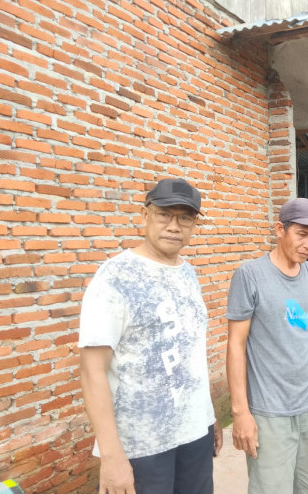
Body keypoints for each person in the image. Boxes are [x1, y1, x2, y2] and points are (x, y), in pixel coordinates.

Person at [79, 178, 222, 494]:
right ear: (144, 216)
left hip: (194, 435)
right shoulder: (115, 278)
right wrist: (112, 457)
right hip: (141, 446)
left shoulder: (188, 271)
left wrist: (209, 418)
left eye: (185, 217)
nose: (175, 226)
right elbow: (92, 371)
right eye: (164, 215)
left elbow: (192, 355)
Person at [226, 198, 308, 494]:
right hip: (270, 412)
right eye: (301, 234)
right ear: (280, 229)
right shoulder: (249, 275)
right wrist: (240, 412)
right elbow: (236, 344)